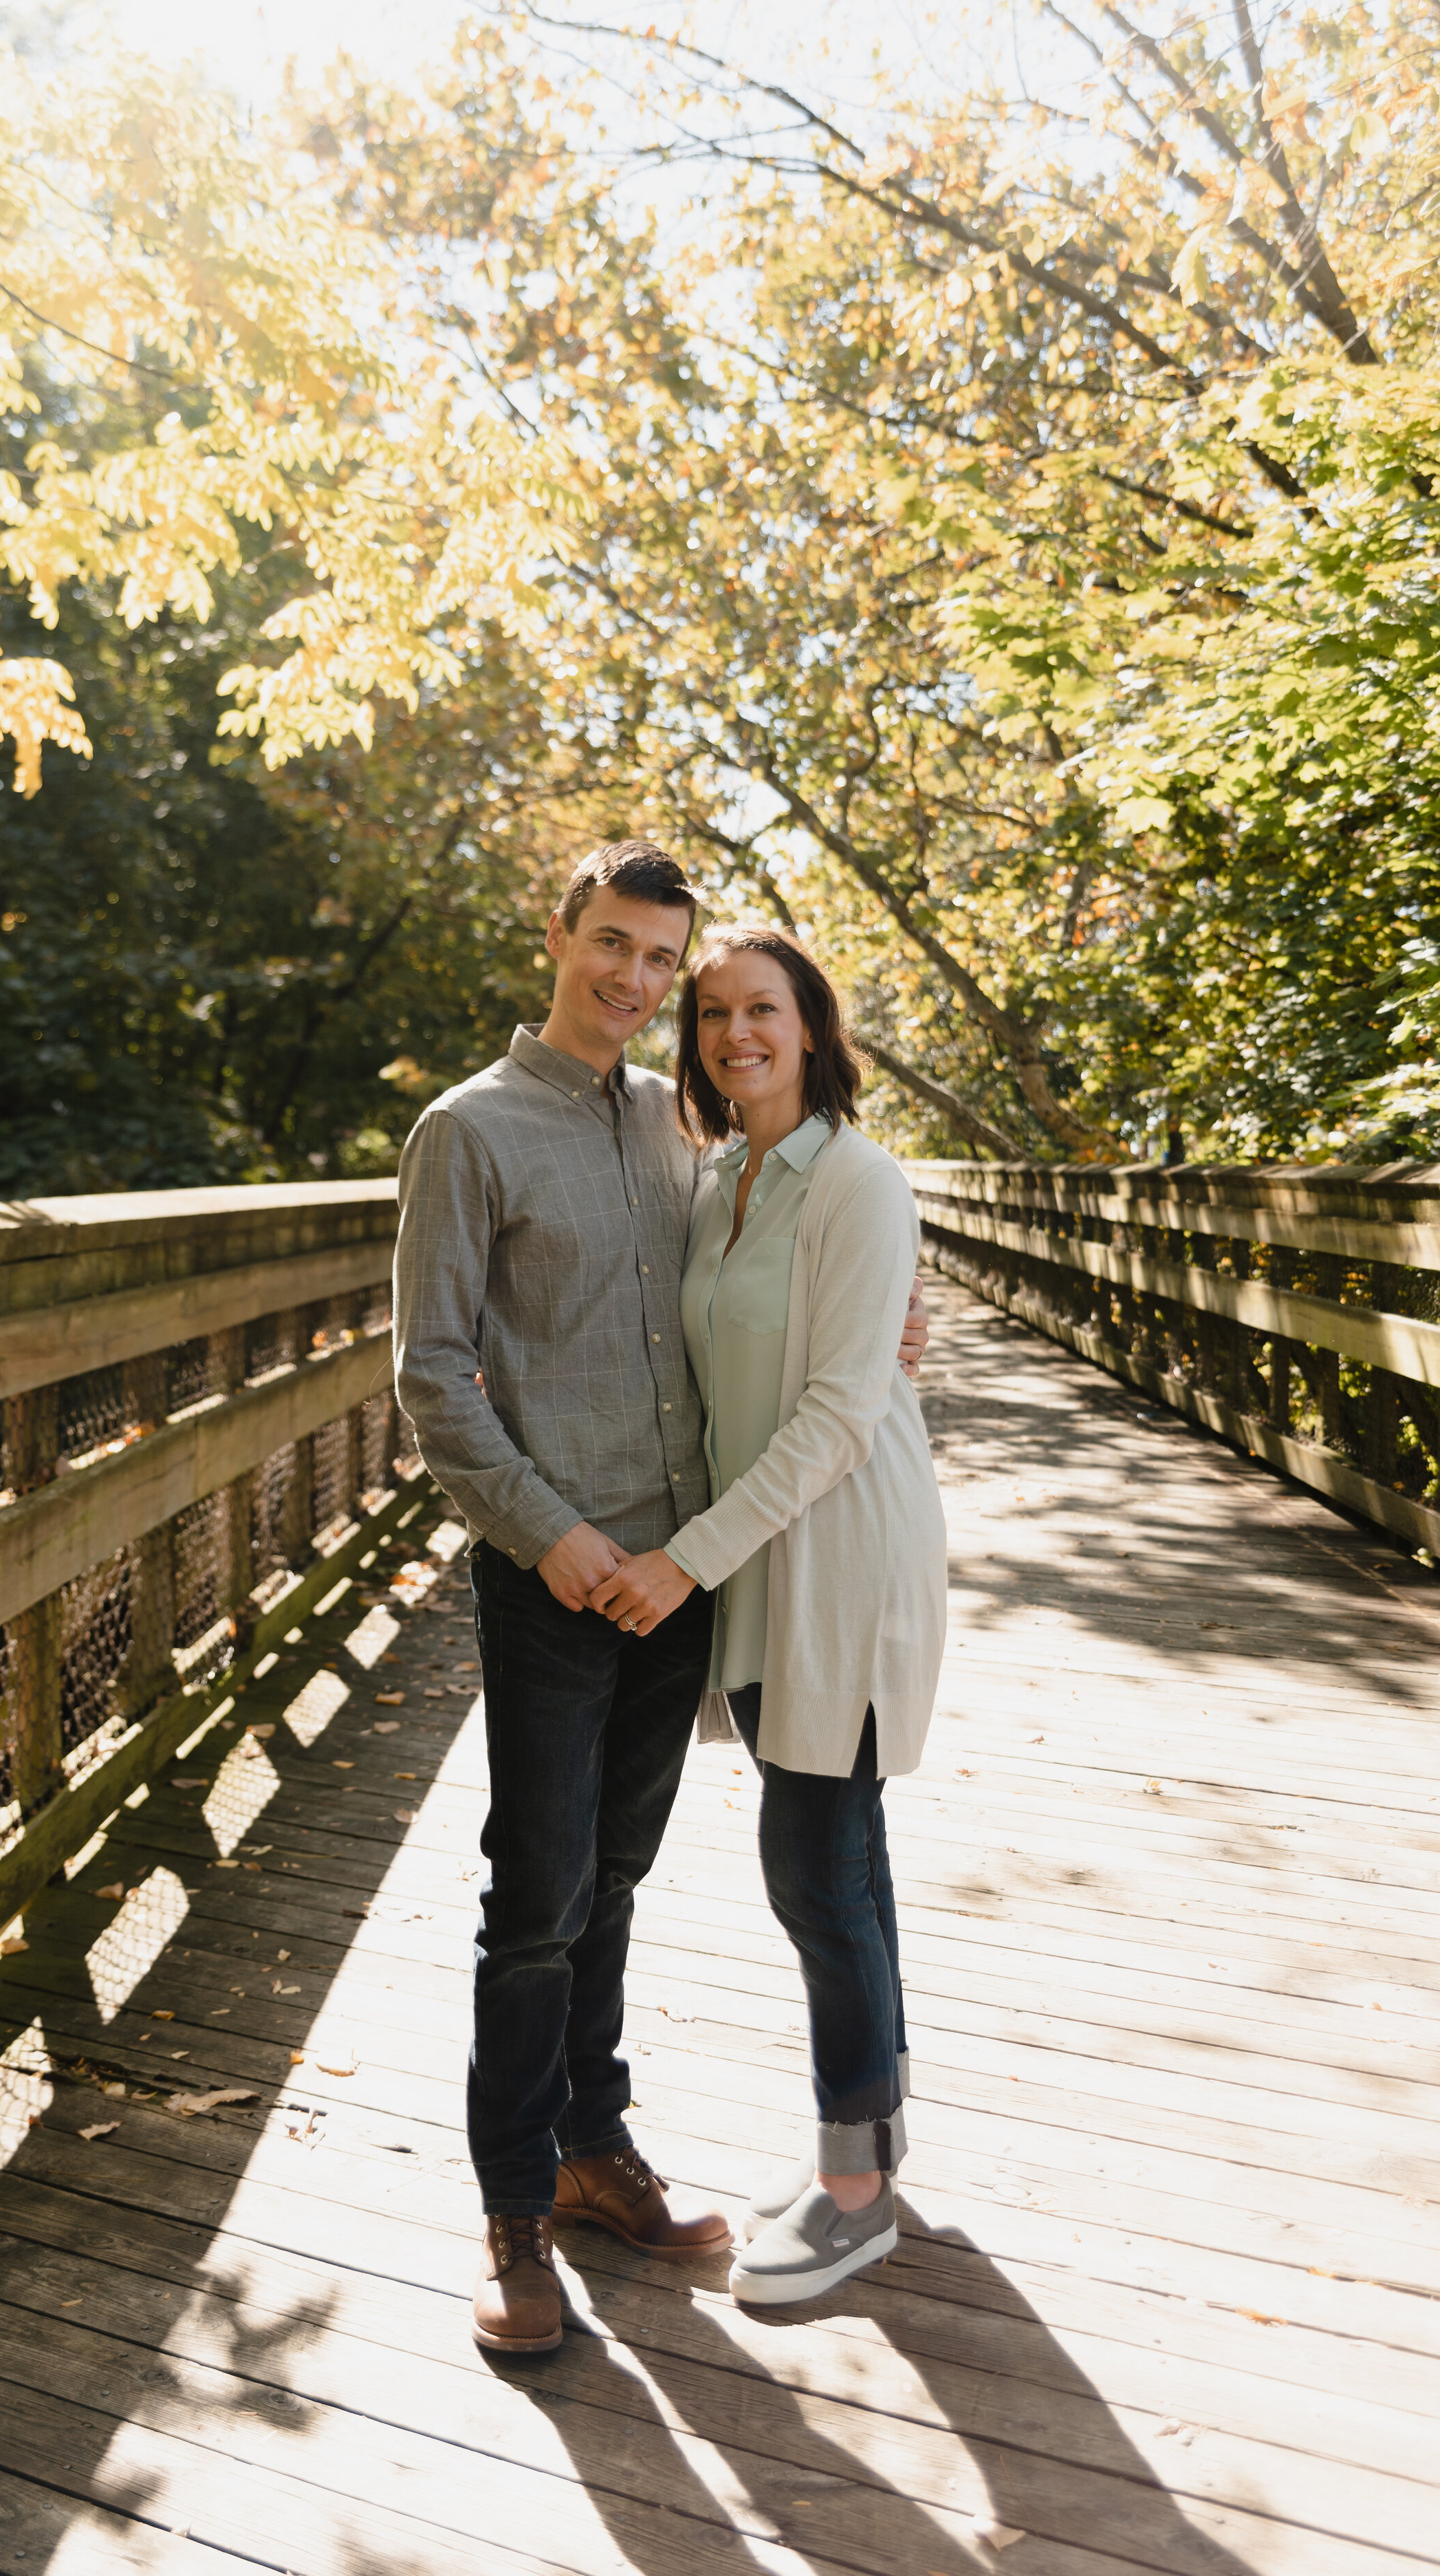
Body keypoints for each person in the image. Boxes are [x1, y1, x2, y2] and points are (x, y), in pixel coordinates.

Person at [393, 843, 929, 2354]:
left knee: (613, 1882)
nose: (635, 982)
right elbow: (429, 1372)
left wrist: (892, 1319)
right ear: (557, 936)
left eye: (660, 966)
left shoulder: (676, 1132)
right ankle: (508, 2215)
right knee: (536, 1899)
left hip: (685, 1574)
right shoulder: (467, 1131)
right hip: (562, 1573)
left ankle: (590, 2149)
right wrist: (546, 1535)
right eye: (613, 949)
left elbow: (793, 1276)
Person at [589, 923, 948, 2306]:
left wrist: (682, 1558)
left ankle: (851, 2192)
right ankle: (880, 2131)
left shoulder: (856, 1182)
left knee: (810, 1854)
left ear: (812, 1027)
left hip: (838, 1548)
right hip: (751, 1551)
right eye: (713, 1013)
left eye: (763, 1009)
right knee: (839, 1844)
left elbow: (842, 1405)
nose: (735, 1031)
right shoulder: (721, 1177)